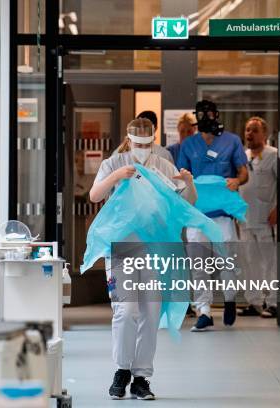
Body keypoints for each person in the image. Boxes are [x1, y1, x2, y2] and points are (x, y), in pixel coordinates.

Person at [90, 118, 197, 400]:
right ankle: (121, 369)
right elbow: (94, 195)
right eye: (138, 144)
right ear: (128, 140)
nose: (142, 149)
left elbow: (188, 202)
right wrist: (117, 177)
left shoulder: (162, 164)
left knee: (150, 313)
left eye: (147, 145)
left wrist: (188, 182)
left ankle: (141, 377)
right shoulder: (114, 163)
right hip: (122, 248)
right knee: (126, 311)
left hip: (156, 249)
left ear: (154, 141)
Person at [177, 100, 249, 331]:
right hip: (197, 214)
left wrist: (237, 181)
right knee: (198, 265)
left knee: (227, 261)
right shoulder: (189, 145)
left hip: (223, 215)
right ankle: (204, 311)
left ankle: (229, 299)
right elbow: (181, 175)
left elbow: (243, 172)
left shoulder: (232, 141)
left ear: (216, 114)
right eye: (201, 113)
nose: (205, 116)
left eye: (208, 113)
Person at [237, 117, 278, 318]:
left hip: (266, 218)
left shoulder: (274, 155)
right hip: (245, 218)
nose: (249, 134)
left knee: (269, 261)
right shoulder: (242, 157)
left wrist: (277, 208)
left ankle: (272, 302)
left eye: (254, 130)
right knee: (249, 261)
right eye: (247, 130)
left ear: (265, 134)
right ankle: (253, 302)